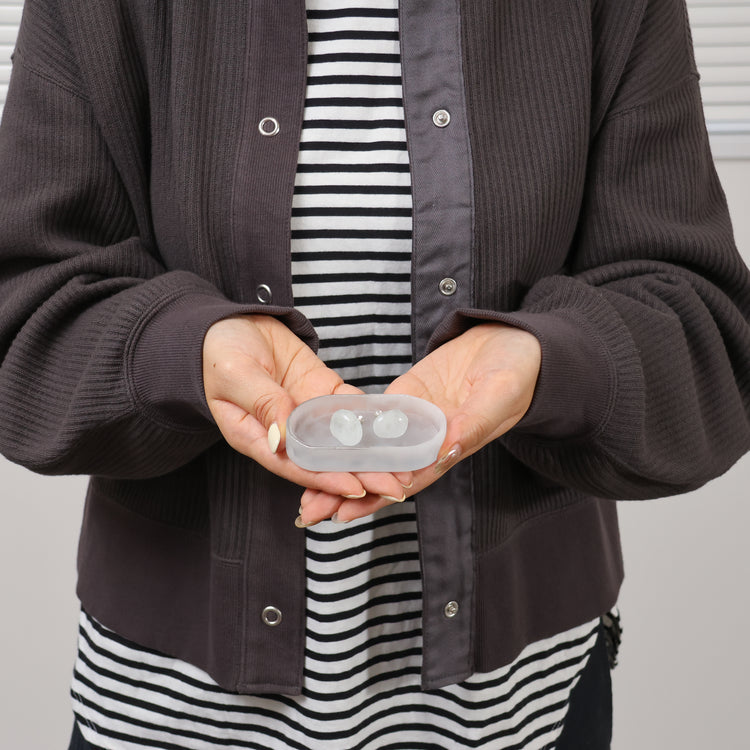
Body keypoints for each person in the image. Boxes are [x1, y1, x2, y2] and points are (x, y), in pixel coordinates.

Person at [1, 0, 748, 747]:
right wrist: (181, 350)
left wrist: (547, 361)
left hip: (522, 705)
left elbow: (701, 325)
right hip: (168, 706)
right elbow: (24, 306)